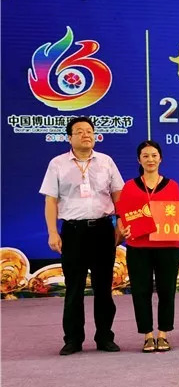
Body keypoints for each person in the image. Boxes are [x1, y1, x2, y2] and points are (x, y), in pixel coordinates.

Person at [41, 116, 124, 356]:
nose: (86, 135)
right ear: (69, 137)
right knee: (74, 288)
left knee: (104, 287)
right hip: (73, 232)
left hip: (102, 230)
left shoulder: (106, 161)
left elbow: (118, 195)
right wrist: (52, 232)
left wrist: (121, 223)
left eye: (89, 131)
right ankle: (73, 339)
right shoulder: (57, 164)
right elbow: (51, 200)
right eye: (79, 131)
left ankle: (105, 337)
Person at [118, 140, 179, 352]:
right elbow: (122, 215)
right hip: (138, 246)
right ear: (139, 160)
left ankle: (163, 334)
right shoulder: (129, 186)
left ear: (160, 158)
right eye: (145, 156)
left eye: (154, 155)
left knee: (167, 291)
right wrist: (123, 228)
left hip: (168, 246)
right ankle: (147, 335)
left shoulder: (173, 186)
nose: (150, 159)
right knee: (141, 291)